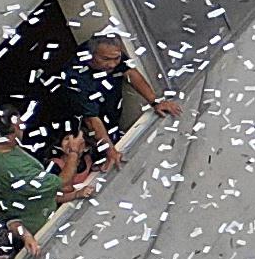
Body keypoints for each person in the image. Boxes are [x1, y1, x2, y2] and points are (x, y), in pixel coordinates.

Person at [58, 31, 178, 189]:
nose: (112, 65)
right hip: (83, 128)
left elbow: (130, 72)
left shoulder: (113, 55)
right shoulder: (74, 76)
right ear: (91, 55)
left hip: (111, 114)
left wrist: (155, 102)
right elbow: (92, 120)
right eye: (106, 59)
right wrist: (109, 151)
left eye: (117, 58)